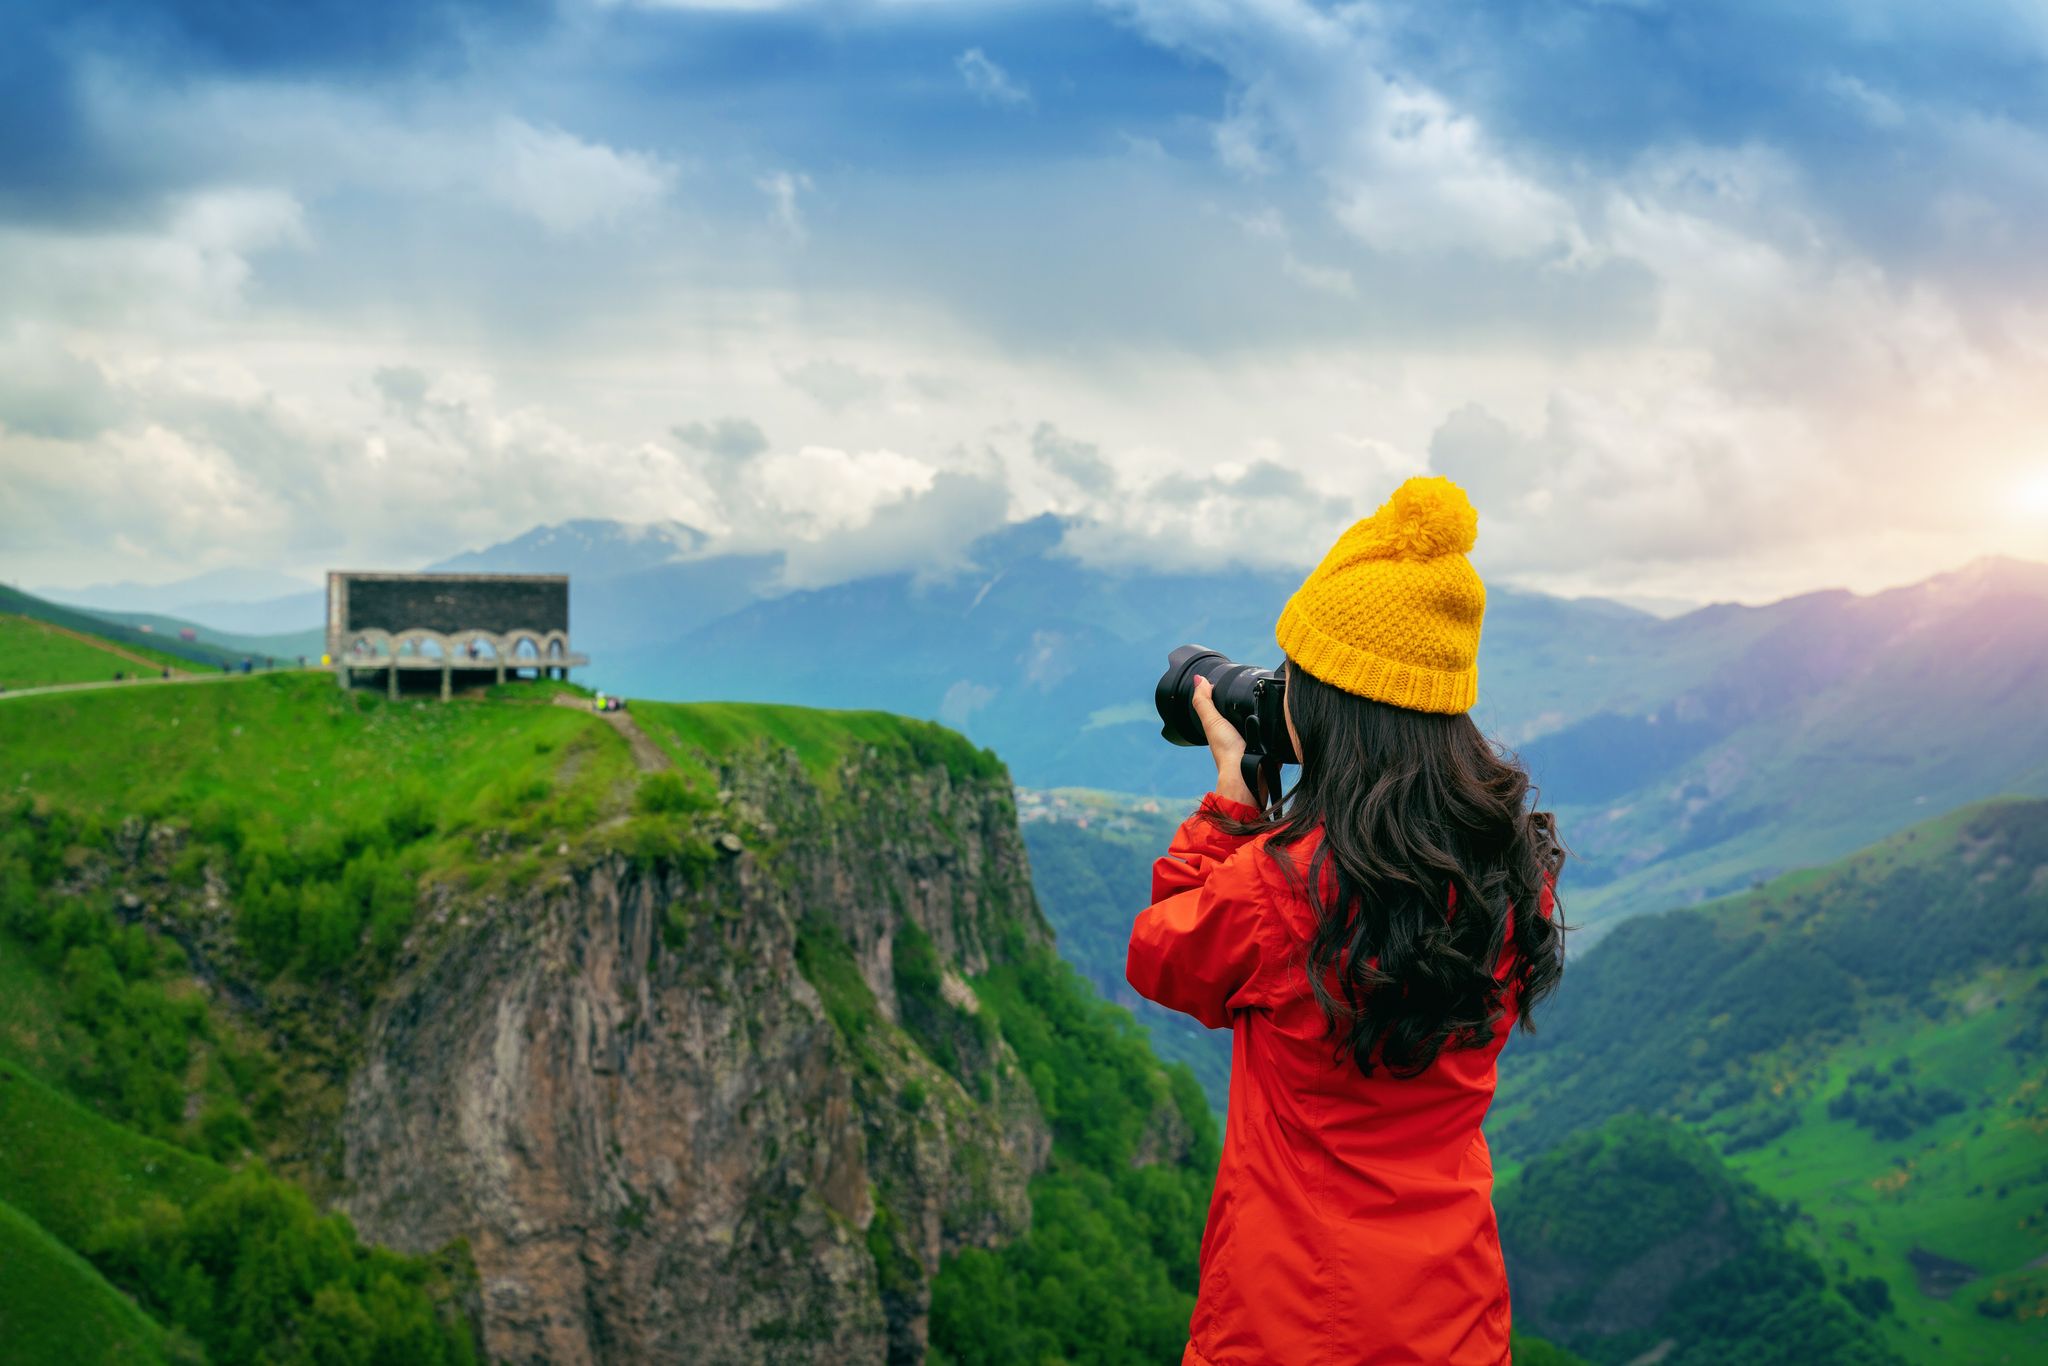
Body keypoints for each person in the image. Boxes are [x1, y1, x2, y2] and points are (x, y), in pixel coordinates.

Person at [1127, 476, 1567, 1366]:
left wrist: (1227, 809)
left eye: (1296, 679)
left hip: (1291, 1318)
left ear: (1330, 707)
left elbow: (1163, 953)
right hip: (1452, 1311)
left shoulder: (1281, 886)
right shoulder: (1510, 866)